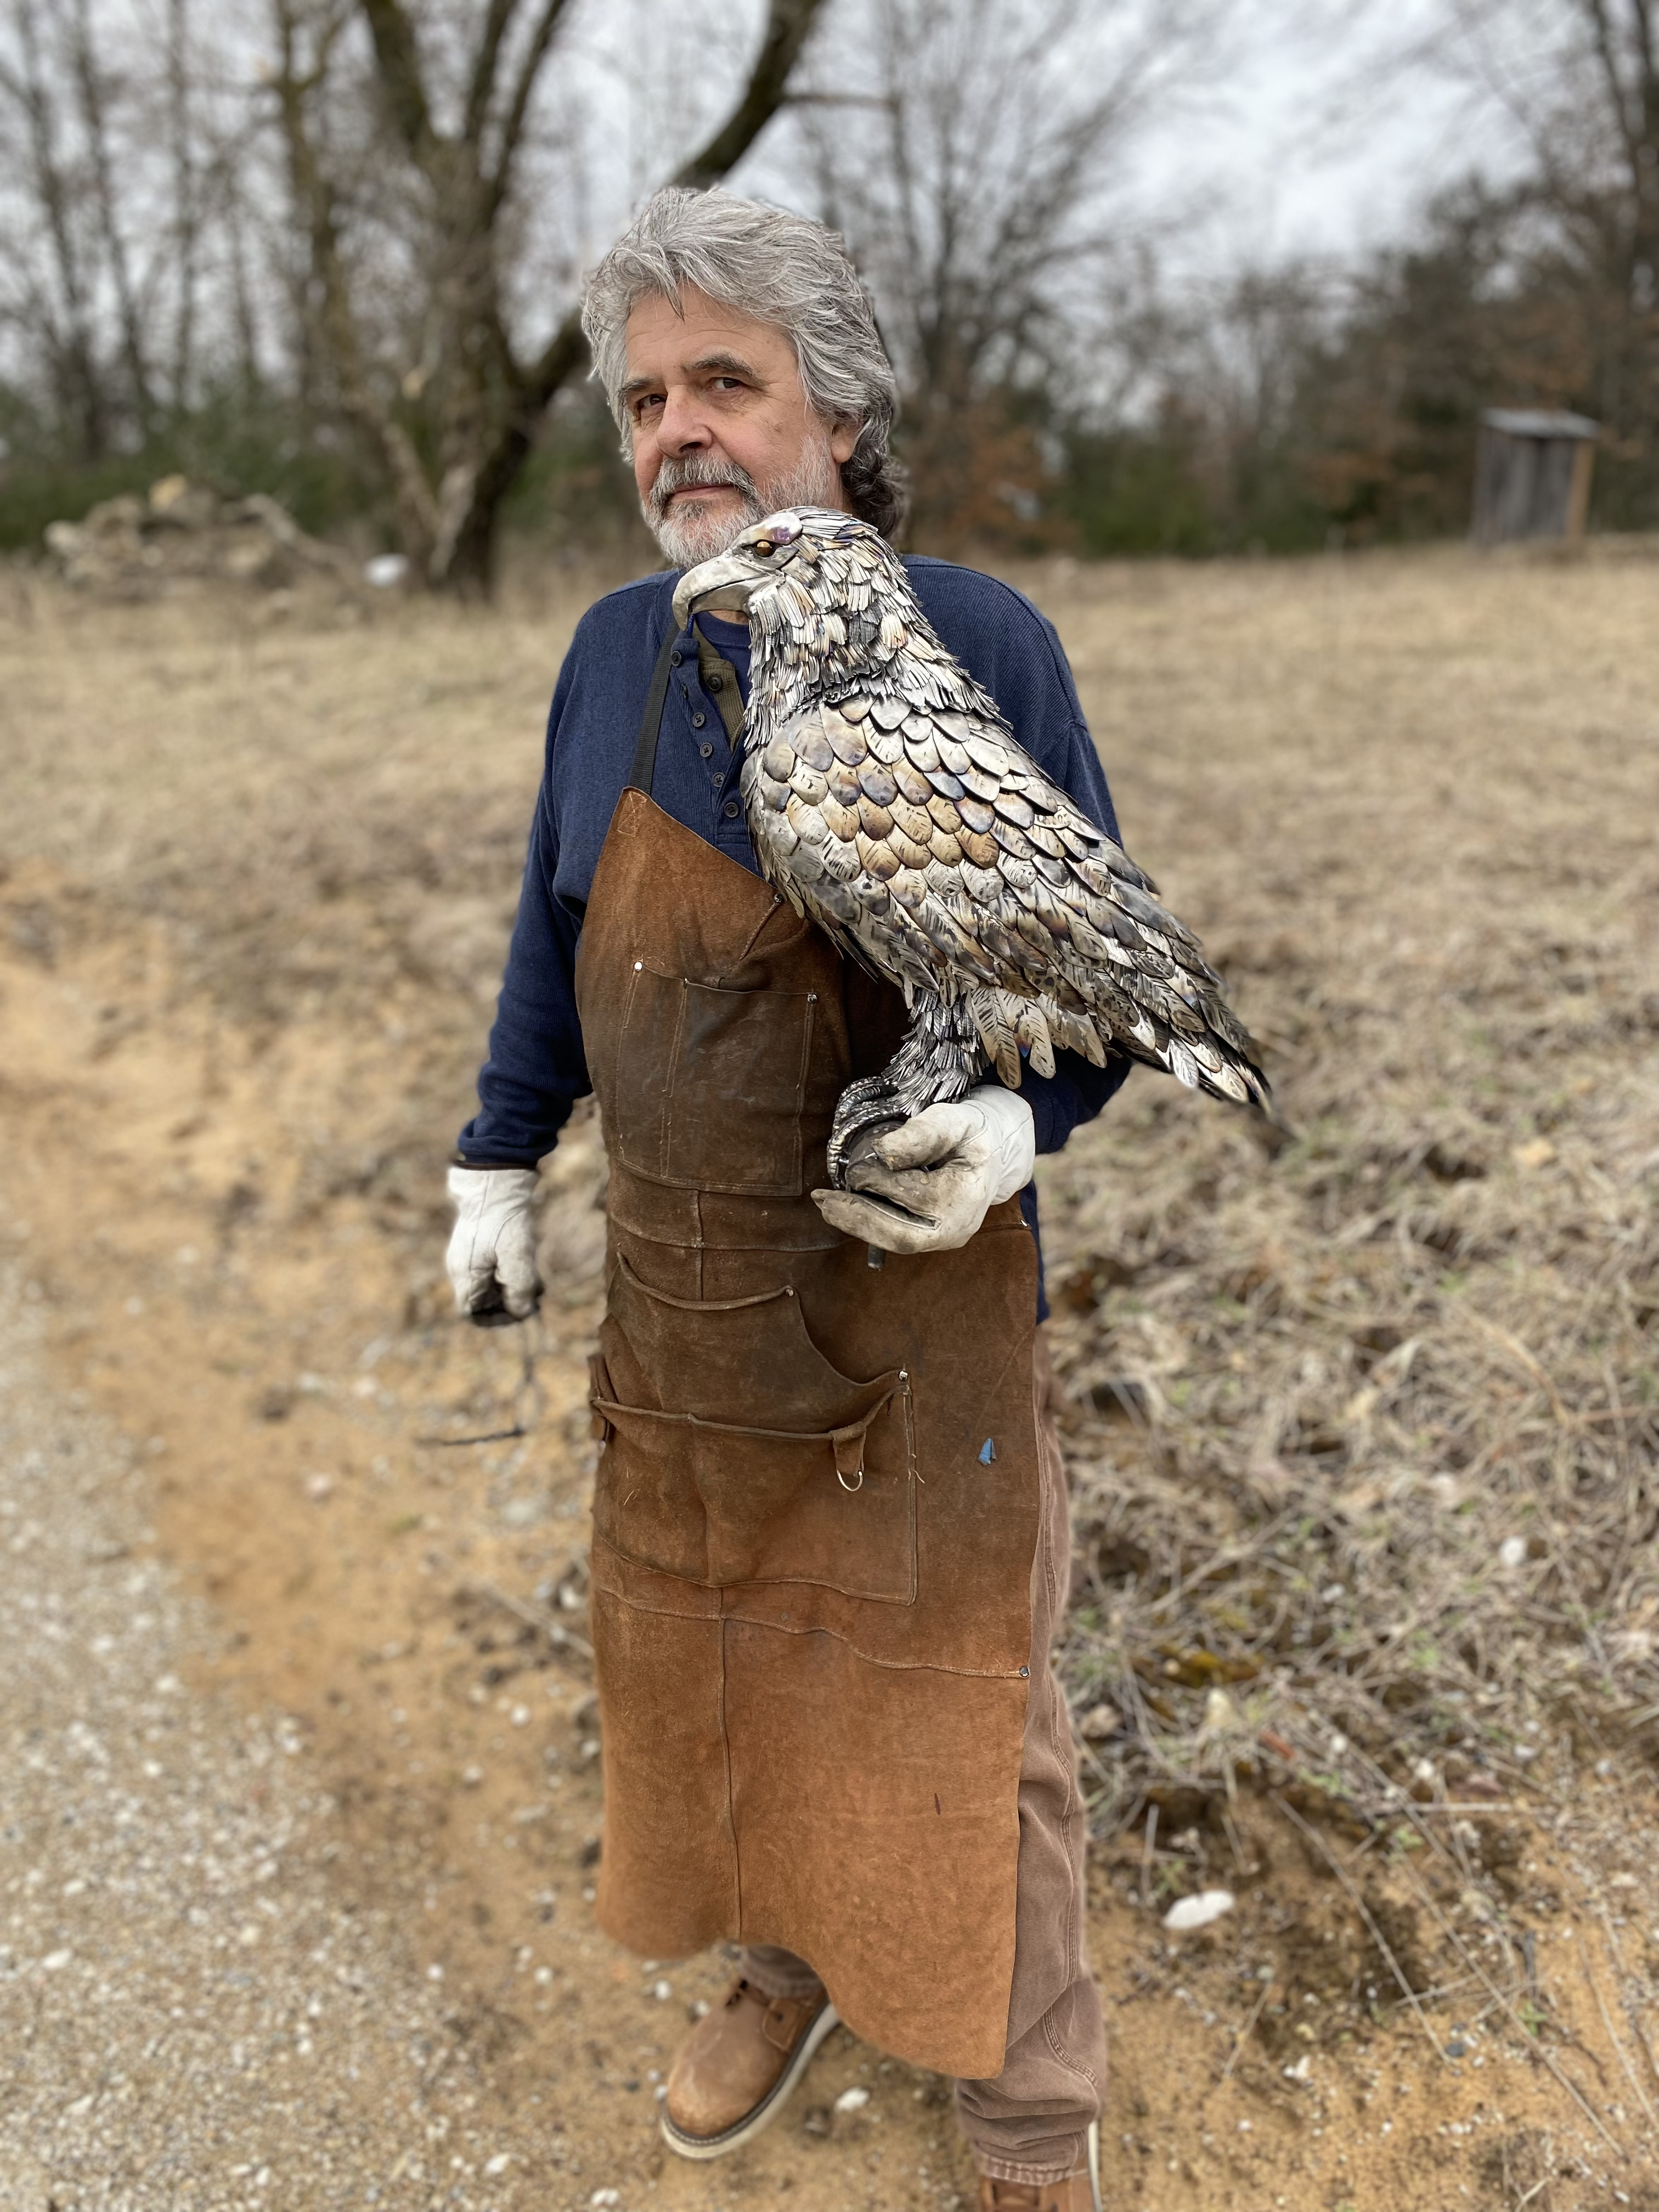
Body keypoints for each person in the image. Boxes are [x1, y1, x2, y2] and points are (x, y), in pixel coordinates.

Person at [445, 187, 1130, 2212]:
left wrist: (1025, 1132)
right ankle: (784, 1963)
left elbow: (1092, 968)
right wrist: (500, 1151)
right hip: (686, 1303)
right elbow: (552, 939)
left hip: (919, 1315)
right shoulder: (607, 661)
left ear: (839, 411)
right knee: (726, 1653)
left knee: (972, 1711)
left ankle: (1027, 2112)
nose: (680, 431)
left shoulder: (977, 638)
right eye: (648, 396)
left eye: (727, 382)